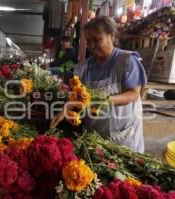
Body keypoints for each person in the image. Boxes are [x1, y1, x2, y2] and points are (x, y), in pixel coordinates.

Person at [51, 16, 147, 153]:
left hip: (123, 135)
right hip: (95, 134)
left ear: (112, 36)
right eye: (88, 41)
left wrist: (105, 100)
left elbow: (133, 93)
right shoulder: (83, 68)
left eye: (97, 40)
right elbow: (76, 96)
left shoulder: (126, 61)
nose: (92, 46)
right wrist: (63, 111)